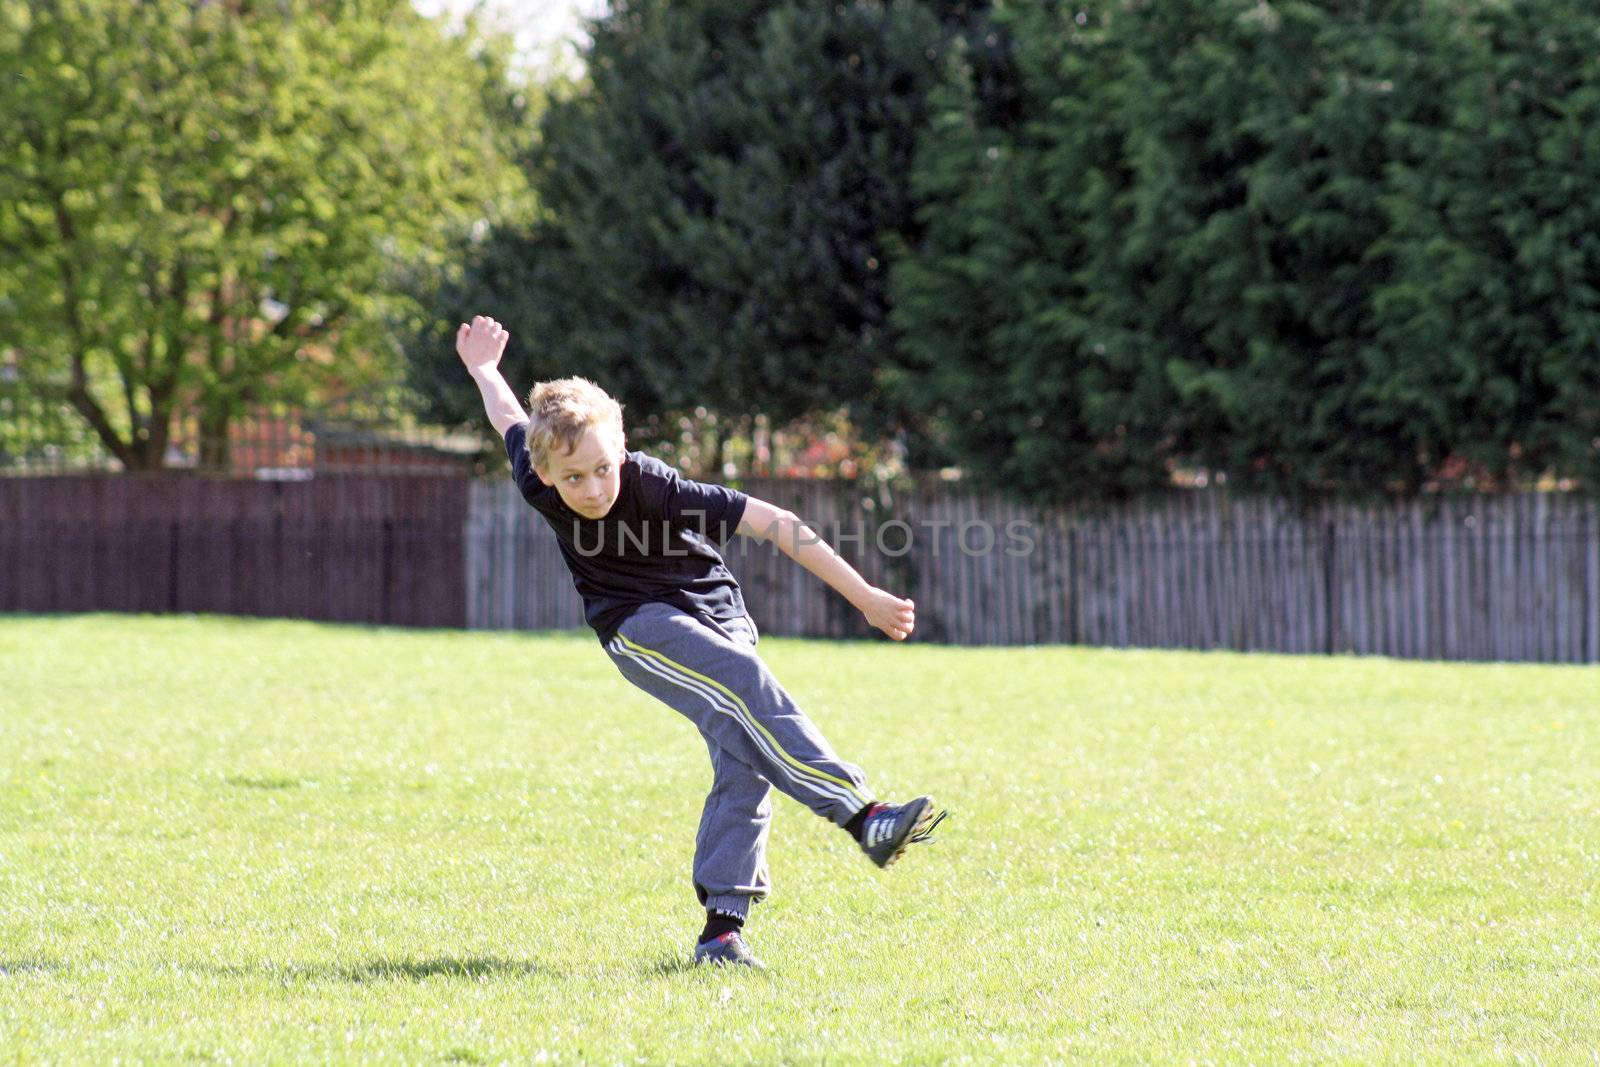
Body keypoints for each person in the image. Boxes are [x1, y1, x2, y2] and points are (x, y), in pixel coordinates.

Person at [456, 315, 945, 969]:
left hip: (722, 614)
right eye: (575, 478)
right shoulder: (536, 473)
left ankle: (721, 933)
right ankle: (863, 815)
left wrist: (866, 597)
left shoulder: (656, 485)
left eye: (604, 468)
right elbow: (508, 417)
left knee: (744, 762)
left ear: (622, 446)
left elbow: (778, 522)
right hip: (638, 625)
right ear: (545, 474)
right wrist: (483, 368)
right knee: (745, 688)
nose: (595, 488)